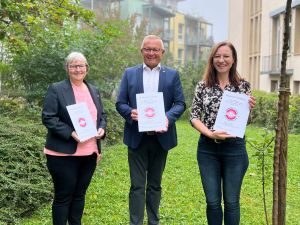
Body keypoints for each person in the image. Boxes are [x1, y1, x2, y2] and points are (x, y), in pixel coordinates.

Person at [116, 35, 186, 225]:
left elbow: (180, 103)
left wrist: (167, 118)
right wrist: (130, 112)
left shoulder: (172, 75)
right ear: (141, 52)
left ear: (162, 53)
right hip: (136, 137)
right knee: (137, 186)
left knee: (155, 185)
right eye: (148, 49)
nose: (151, 53)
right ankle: (136, 222)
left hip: (161, 138)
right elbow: (120, 103)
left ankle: (153, 222)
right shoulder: (130, 73)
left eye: (156, 49)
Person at [190, 41, 256, 225]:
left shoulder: (243, 86)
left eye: (226, 56)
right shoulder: (203, 86)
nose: (221, 60)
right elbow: (194, 116)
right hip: (207, 150)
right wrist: (210, 134)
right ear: (212, 59)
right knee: (212, 203)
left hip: (234, 149)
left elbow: (246, 122)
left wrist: (249, 109)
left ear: (233, 59)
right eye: (217, 56)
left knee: (232, 202)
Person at [42, 52, 107, 225]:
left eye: (81, 65)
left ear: (87, 68)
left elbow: (102, 115)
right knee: (64, 196)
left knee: (79, 195)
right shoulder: (56, 89)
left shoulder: (94, 90)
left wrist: (102, 128)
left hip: (89, 153)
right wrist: (71, 133)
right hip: (63, 154)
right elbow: (48, 117)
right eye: (73, 66)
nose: (78, 69)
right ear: (67, 69)